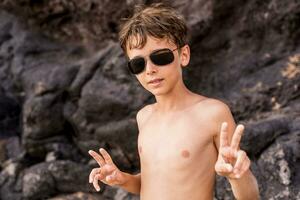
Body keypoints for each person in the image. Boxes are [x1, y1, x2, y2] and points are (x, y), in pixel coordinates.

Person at [88, 3, 259, 200]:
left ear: (183, 55)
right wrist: (123, 179)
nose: (150, 69)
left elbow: (250, 197)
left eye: (160, 57)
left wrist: (238, 176)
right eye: (138, 64)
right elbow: (154, 184)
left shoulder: (212, 113)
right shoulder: (144, 116)